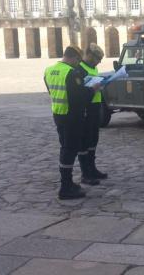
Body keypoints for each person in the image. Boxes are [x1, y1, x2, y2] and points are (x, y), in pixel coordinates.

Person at [44, 45, 100, 200]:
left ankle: (67, 183)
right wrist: (92, 89)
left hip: (58, 114)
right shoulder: (71, 73)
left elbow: (52, 91)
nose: (78, 63)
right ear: (75, 58)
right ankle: (66, 186)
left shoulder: (49, 70)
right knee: (69, 151)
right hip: (72, 117)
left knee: (66, 148)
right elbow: (79, 98)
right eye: (78, 60)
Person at [78, 43, 107, 185]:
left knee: (93, 139)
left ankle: (92, 168)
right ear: (89, 55)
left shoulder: (93, 67)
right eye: (97, 58)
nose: (99, 62)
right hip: (85, 108)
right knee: (84, 141)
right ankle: (85, 173)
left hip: (95, 106)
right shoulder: (79, 69)